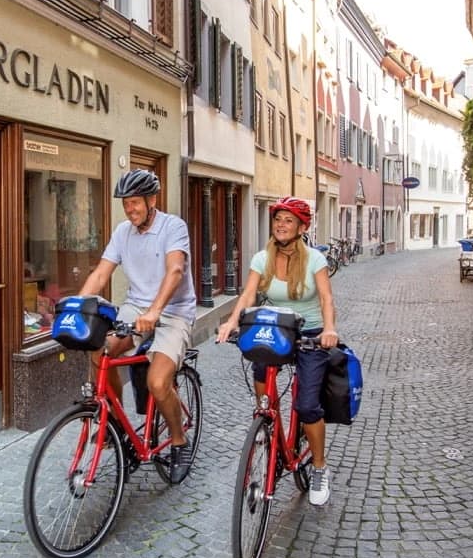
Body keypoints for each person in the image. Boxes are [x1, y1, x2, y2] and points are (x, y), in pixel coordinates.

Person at [76, 169, 198, 483]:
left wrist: (156, 311)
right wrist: (77, 305)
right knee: (100, 352)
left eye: (135, 203)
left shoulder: (173, 227)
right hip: (136, 308)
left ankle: (179, 440)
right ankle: (115, 425)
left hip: (173, 311)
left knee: (158, 383)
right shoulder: (122, 232)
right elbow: (101, 274)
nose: (130, 209)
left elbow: (175, 271)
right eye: (126, 203)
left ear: (151, 200)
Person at [215, 196, 339, 506]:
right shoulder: (262, 258)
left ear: (301, 227)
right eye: (278, 219)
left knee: (308, 405)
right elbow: (248, 294)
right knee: (259, 368)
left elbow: (325, 299)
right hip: (275, 327)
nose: (281, 225)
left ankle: (320, 468)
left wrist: (328, 330)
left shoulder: (314, 260)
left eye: (288, 220)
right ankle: (266, 417)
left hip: (308, 332)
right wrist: (231, 322)